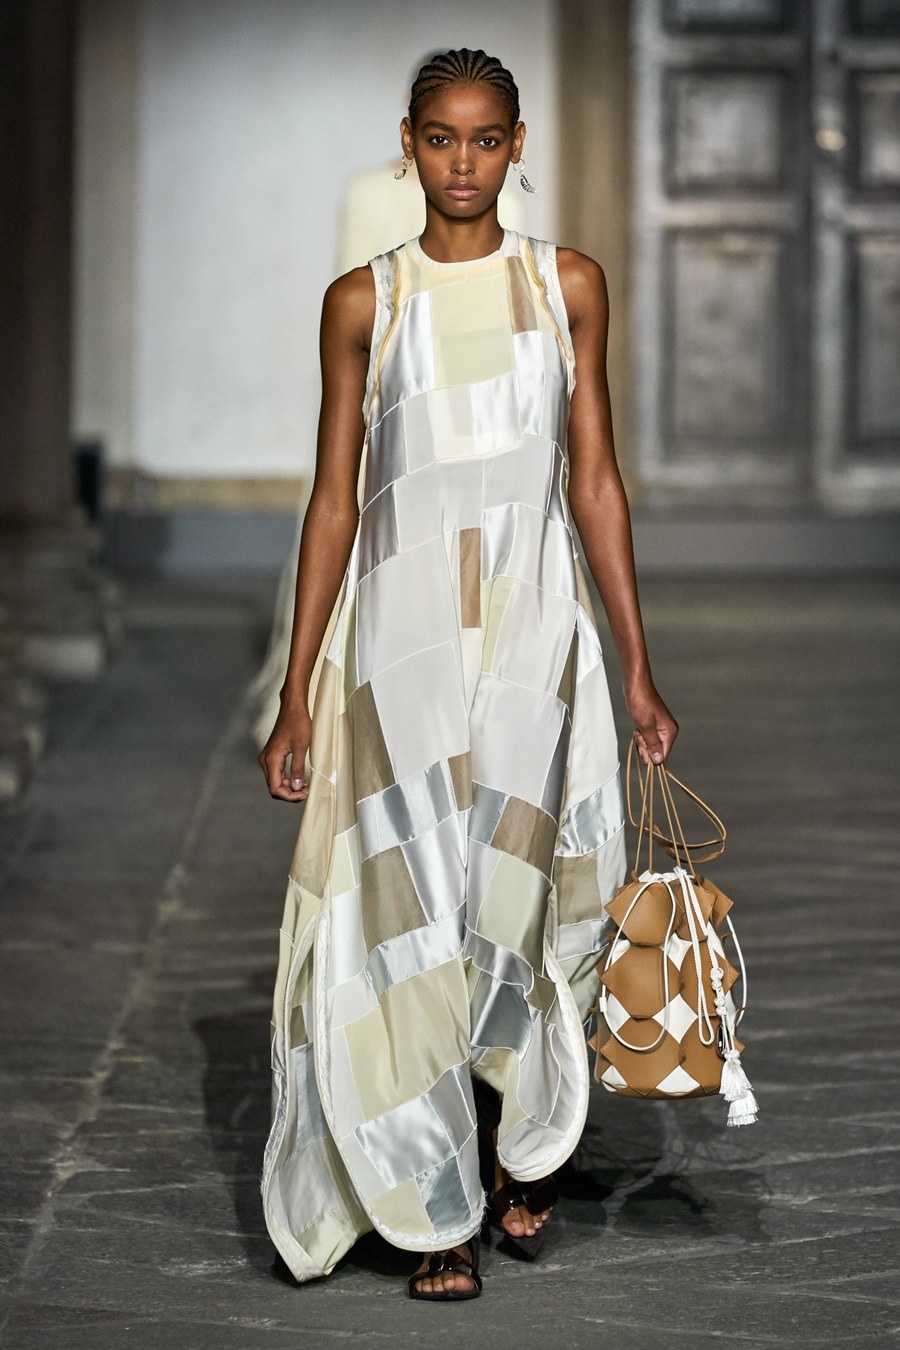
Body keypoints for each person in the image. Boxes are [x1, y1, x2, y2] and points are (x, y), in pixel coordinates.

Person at [258, 47, 678, 1303]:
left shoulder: (567, 285)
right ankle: (433, 1201)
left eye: (485, 139)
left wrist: (637, 664)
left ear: (516, 145)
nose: (462, 162)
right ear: (408, 142)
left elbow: (594, 481)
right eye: (440, 138)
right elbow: (335, 501)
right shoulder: (363, 301)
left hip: (535, 633)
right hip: (400, 644)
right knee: (410, 903)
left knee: (519, 890)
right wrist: (296, 688)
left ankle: (517, 1141)